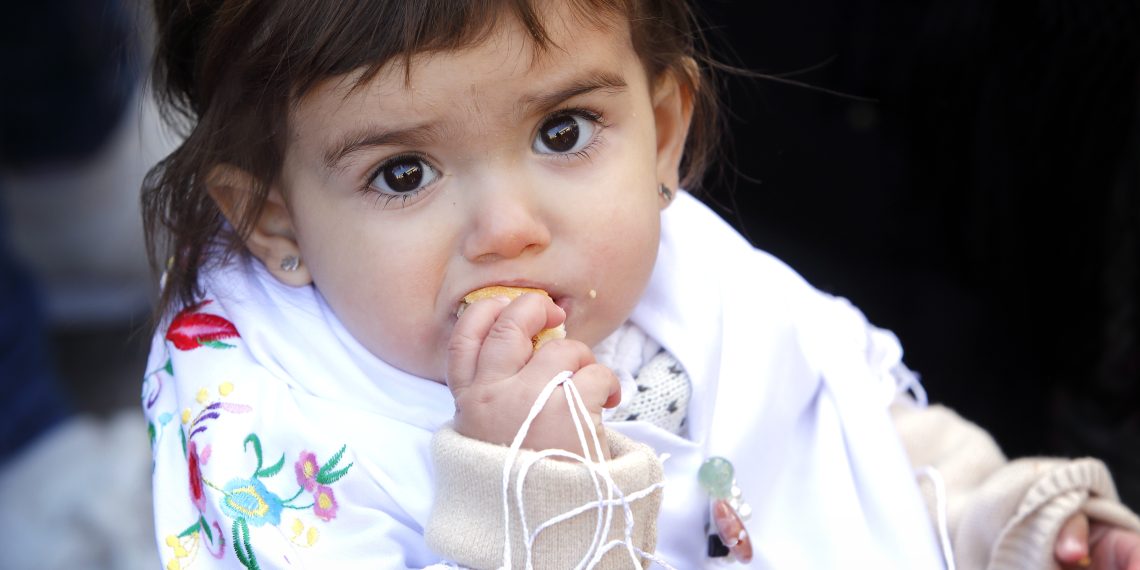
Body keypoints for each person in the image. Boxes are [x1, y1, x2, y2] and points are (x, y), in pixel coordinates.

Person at [139, 0, 1140, 568]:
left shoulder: (685, 273)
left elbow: (844, 437)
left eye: (561, 131)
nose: (510, 231)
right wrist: (533, 496)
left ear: (663, 132)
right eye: (403, 173)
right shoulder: (280, 443)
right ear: (276, 218)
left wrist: (998, 520)